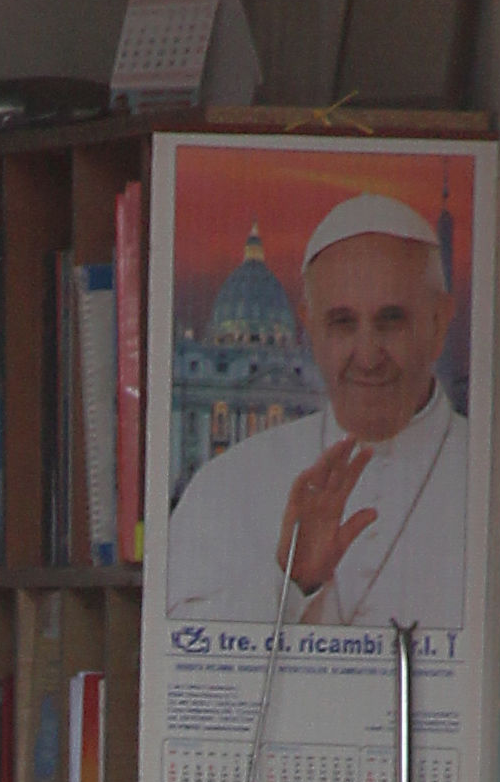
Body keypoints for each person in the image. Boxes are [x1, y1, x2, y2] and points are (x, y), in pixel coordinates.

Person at [160, 194, 473, 635]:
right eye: (343, 323)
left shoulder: (498, 482)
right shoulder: (223, 484)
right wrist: (289, 584)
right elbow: (179, 662)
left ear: (439, 323)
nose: (367, 356)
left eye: (391, 321)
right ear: (308, 328)